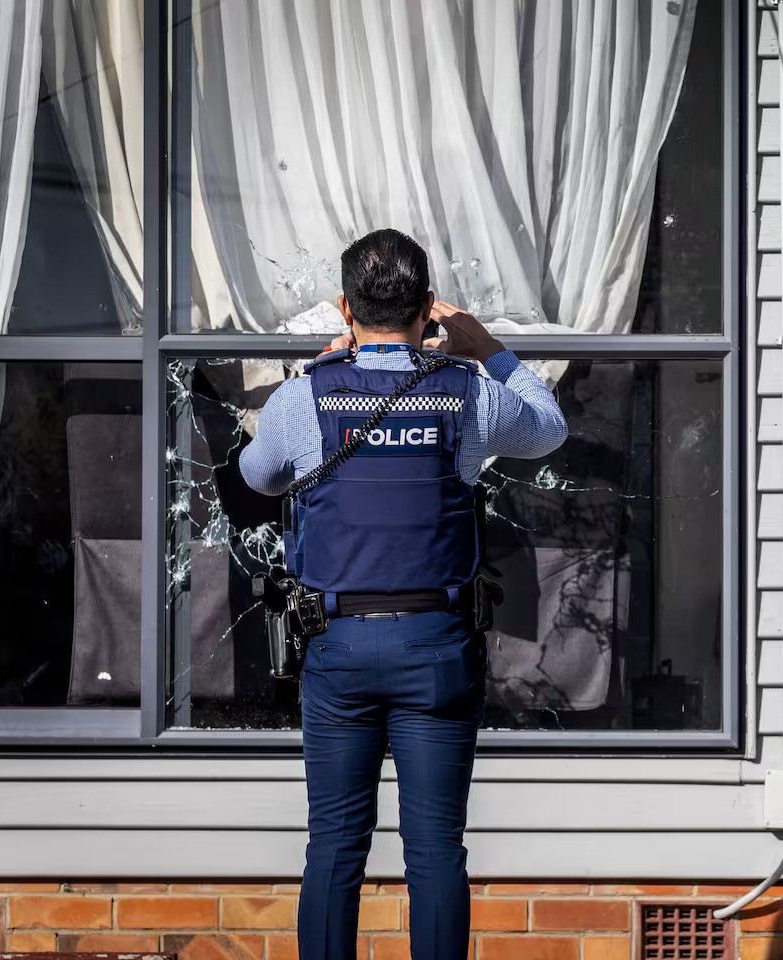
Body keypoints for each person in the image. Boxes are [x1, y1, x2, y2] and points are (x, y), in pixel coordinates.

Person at [239, 228, 568, 960]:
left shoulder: (306, 396)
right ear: (428, 308)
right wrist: (489, 349)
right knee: (436, 848)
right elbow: (549, 429)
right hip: (436, 650)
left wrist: (317, 375)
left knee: (334, 846)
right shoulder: (469, 394)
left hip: (339, 649)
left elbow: (258, 476)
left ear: (344, 308)